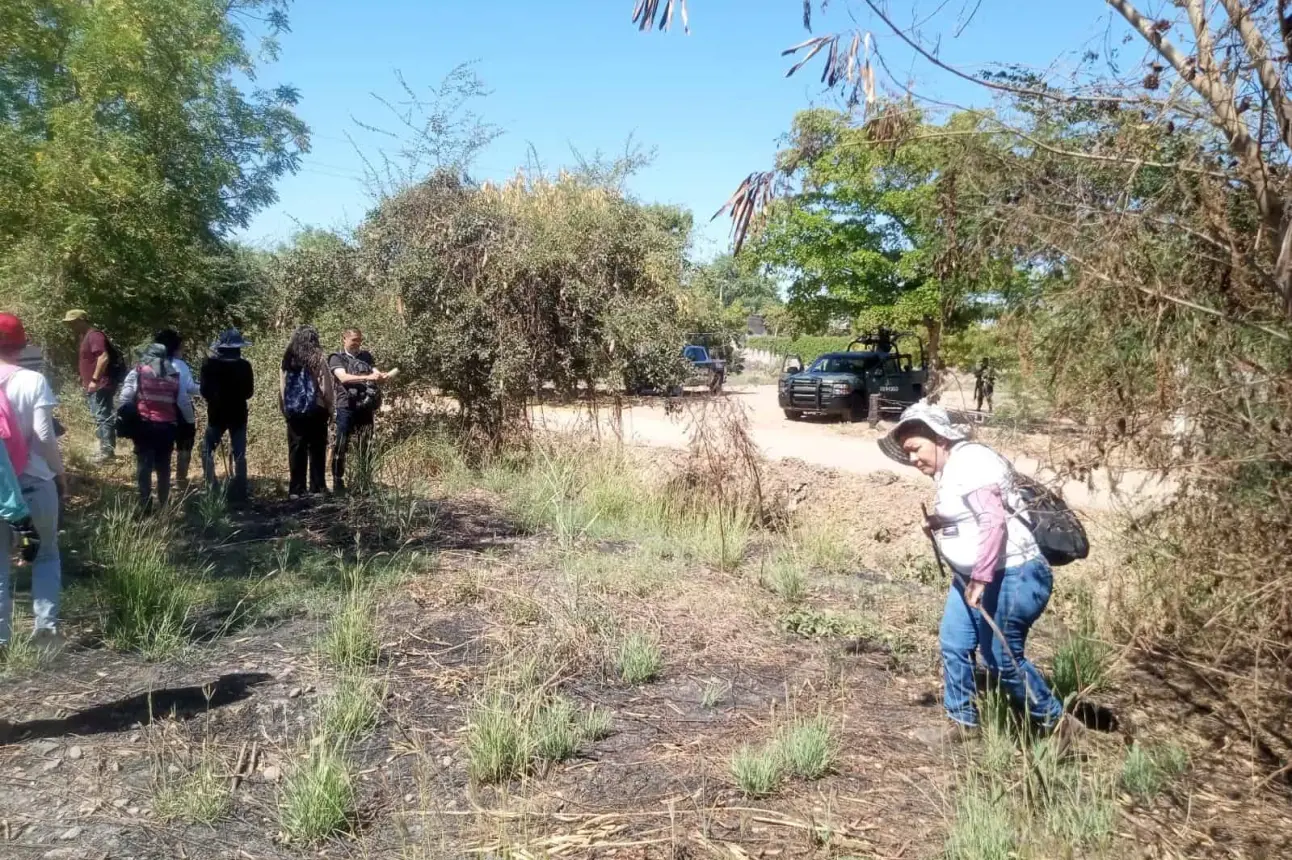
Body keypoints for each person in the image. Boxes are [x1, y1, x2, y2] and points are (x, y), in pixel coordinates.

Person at [878, 402, 1079, 749]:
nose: (912, 459)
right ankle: (963, 722)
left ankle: (1057, 723)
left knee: (1001, 657)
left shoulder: (971, 461)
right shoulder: (954, 468)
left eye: (916, 449)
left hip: (1012, 573)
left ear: (940, 439)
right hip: (975, 575)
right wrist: (939, 523)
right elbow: (972, 515)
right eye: (907, 452)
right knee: (955, 643)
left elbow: (992, 520)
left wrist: (981, 579)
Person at [0, 313, 65, 648]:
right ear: (20, 344)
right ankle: (46, 629)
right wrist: (58, 471)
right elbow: (43, 435)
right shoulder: (32, 380)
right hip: (35, 480)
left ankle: (2, 644)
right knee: (48, 554)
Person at [119, 341, 195, 510]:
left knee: (144, 466)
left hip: (144, 425)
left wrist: (125, 416)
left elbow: (124, 397)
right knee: (164, 467)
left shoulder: (138, 372)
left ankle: (145, 504)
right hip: (167, 428)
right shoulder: (174, 375)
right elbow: (183, 402)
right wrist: (189, 423)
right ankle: (164, 504)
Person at [327, 328, 390, 494]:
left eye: (359, 340)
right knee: (341, 444)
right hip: (346, 406)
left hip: (365, 406)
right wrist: (369, 377)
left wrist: (381, 376)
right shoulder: (336, 357)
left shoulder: (366, 356)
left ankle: (365, 480)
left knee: (367, 444)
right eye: (354, 340)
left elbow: (374, 371)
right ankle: (338, 480)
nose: (357, 343)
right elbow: (343, 378)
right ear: (344, 339)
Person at [200, 329, 255, 500]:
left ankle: (212, 486)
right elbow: (249, 393)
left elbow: (204, 391)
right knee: (240, 453)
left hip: (216, 415)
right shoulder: (245, 366)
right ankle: (241, 489)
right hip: (238, 414)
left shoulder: (209, 365)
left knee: (206, 450)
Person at [280, 325, 333, 499]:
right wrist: (330, 408)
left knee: (296, 448)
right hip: (316, 409)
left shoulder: (287, 360)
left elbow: (283, 387)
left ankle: (296, 489)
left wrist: (285, 408)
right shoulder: (318, 358)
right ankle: (317, 487)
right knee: (317, 448)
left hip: (294, 410)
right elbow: (326, 388)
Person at [63, 309, 120, 462]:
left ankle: (107, 453)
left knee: (103, 416)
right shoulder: (85, 336)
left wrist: (94, 380)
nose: (71, 326)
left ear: (82, 320)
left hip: (101, 384)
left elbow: (103, 357)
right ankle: (104, 449)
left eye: (73, 322)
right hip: (95, 384)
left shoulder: (94, 335)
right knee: (99, 416)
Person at [154, 330, 201, 493]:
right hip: (178, 411)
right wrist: (190, 419)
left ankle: (162, 483)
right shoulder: (179, 365)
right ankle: (181, 480)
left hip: (155, 411)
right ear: (174, 348)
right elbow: (185, 391)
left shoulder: (149, 363)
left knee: (161, 448)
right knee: (184, 445)